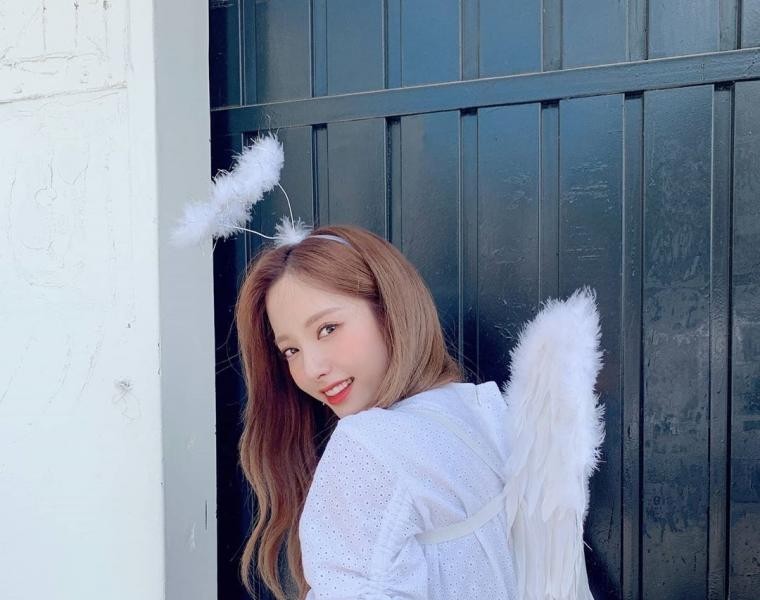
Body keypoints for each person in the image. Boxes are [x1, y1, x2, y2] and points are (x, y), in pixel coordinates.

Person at [233, 224, 603, 600]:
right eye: (290, 350)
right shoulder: (479, 415)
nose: (312, 368)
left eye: (328, 328)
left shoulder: (367, 447)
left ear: (389, 311)